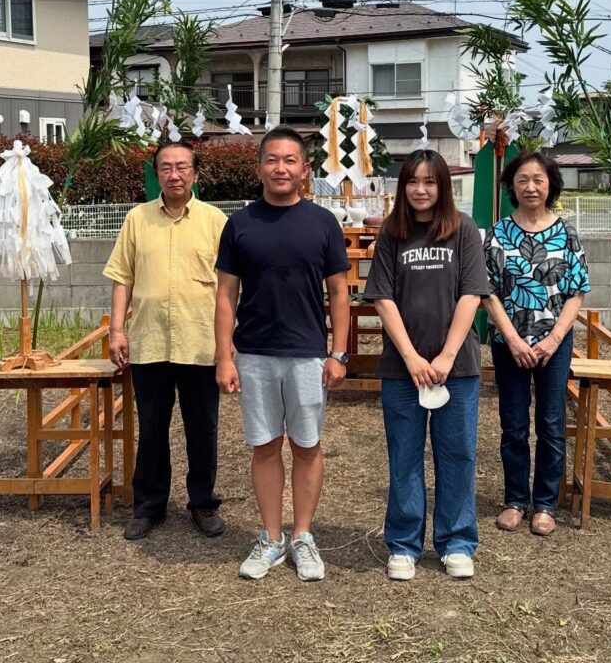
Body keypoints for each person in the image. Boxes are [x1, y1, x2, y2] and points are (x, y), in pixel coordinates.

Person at [214, 126, 350, 581]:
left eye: (290, 160)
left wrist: (339, 353)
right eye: (272, 160)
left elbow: (339, 293)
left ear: (305, 170)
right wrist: (224, 356)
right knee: (265, 445)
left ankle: (303, 536)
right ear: (259, 169)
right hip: (254, 353)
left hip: (309, 354)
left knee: (308, 446)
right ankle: (271, 537)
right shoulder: (240, 224)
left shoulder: (323, 223)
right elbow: (225, 295)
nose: (281, 168)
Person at [364, 150, 491, 581]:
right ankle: (403, 543)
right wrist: (414, 358)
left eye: (430, 182)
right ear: (402, 187)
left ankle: (457, 540)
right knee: (404, 454)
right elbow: (383, 298)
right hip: (403, 370)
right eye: (413, 182)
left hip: (457, 368)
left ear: (443, 187)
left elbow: (471, 295)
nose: (421, 190)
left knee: (457, 453)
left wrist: (445, 357)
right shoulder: (391, 234)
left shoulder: (463, 231)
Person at [104, 139, 228, 541]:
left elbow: (231, 285)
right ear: (156, 174)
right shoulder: (138, 219)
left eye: (182, 167)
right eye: (166, 168)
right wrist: (116, 330)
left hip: (200, 340)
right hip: (150, 341)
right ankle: (149, 506)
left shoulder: (215, 221)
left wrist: (228, 343)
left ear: (195, 173)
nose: (174, 174)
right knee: (153, 427)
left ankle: (202, 502)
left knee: (202, 426)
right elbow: (122, 276)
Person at [483, 150, 590, 537]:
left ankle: (544, 504)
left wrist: (554, 339)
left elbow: (576, 292)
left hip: (554, 344)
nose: (530, 186)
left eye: (538, 179)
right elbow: (487, 292)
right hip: (508, 343)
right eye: (523, 179)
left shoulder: (567, 233)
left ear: (550, 185)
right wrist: (512, 339)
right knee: (512, 425)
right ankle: (514, 499)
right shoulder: (498, 233)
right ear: (512, 185)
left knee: (551, 422)